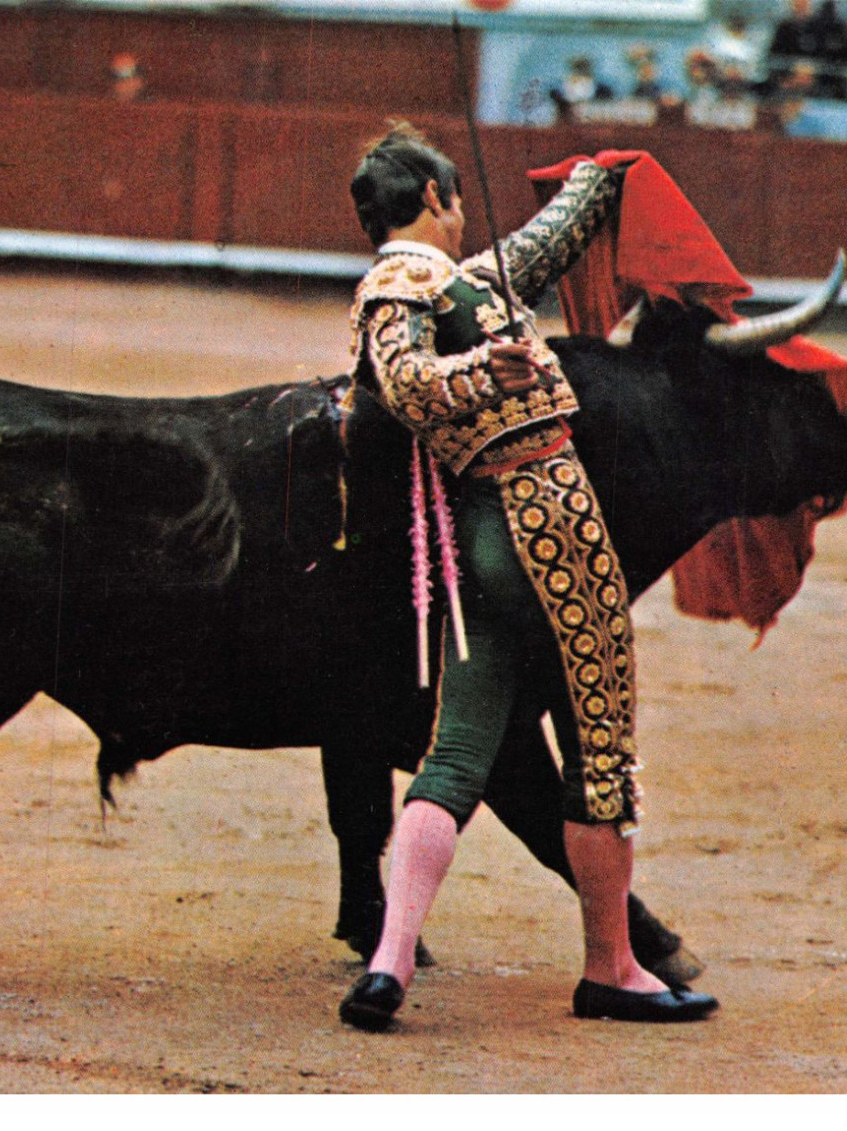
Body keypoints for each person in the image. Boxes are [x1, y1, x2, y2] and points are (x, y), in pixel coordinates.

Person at [337, 123, 720, 1031]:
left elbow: (550, 237)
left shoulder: (463, 279)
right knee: (601, 750)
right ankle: (612, 964)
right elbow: (407, 385)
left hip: (475, 542)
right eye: (457, 201)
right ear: (434, 199)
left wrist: (601, 176)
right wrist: (485, 369)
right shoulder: (402, 286)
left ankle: (390, 961)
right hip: (549, 518)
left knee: (458, 751)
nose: (466, 218)